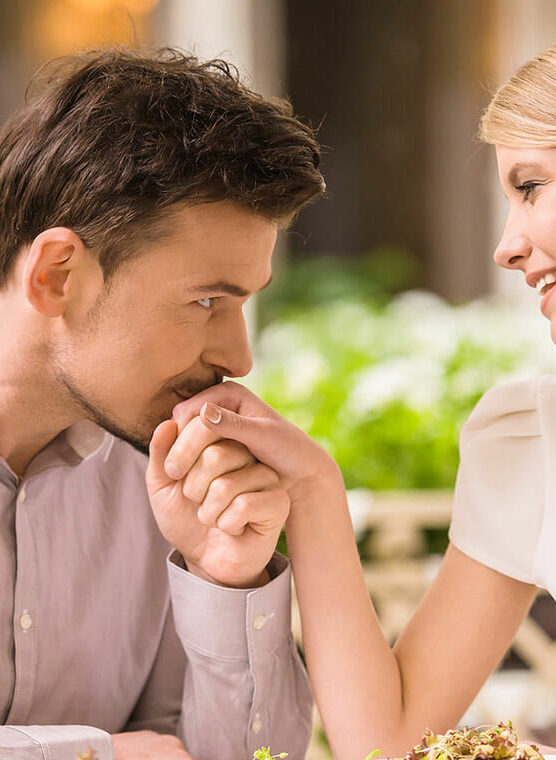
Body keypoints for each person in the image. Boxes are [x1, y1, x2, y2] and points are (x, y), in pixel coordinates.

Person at [176, 21, 556, 760]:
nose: (505, 245)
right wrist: (312, 490)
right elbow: (391, 738)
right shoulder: (541, 450)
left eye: (531, 186)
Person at [0, 49, 325, 760]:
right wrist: (102, 752)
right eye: (208, 300)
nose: (239, 359)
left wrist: (223, 576)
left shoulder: (169, 479)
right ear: (59, 275)